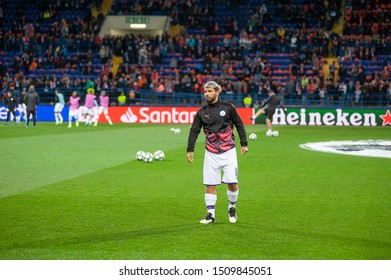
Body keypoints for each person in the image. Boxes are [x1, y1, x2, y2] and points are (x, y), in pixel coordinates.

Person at [187, 81, 248, 224]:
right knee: (210, 185)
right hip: (211, 153)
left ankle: (232, 207)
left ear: (217, 92)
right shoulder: (202, 112)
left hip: (229, 152)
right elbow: (194, 130)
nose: (206, 94)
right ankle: (210, 214)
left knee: (232, 183)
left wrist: (244, 144)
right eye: (205, 91)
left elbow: (239, 124)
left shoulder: (228, 108)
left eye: (209, 91)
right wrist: (190, 149)